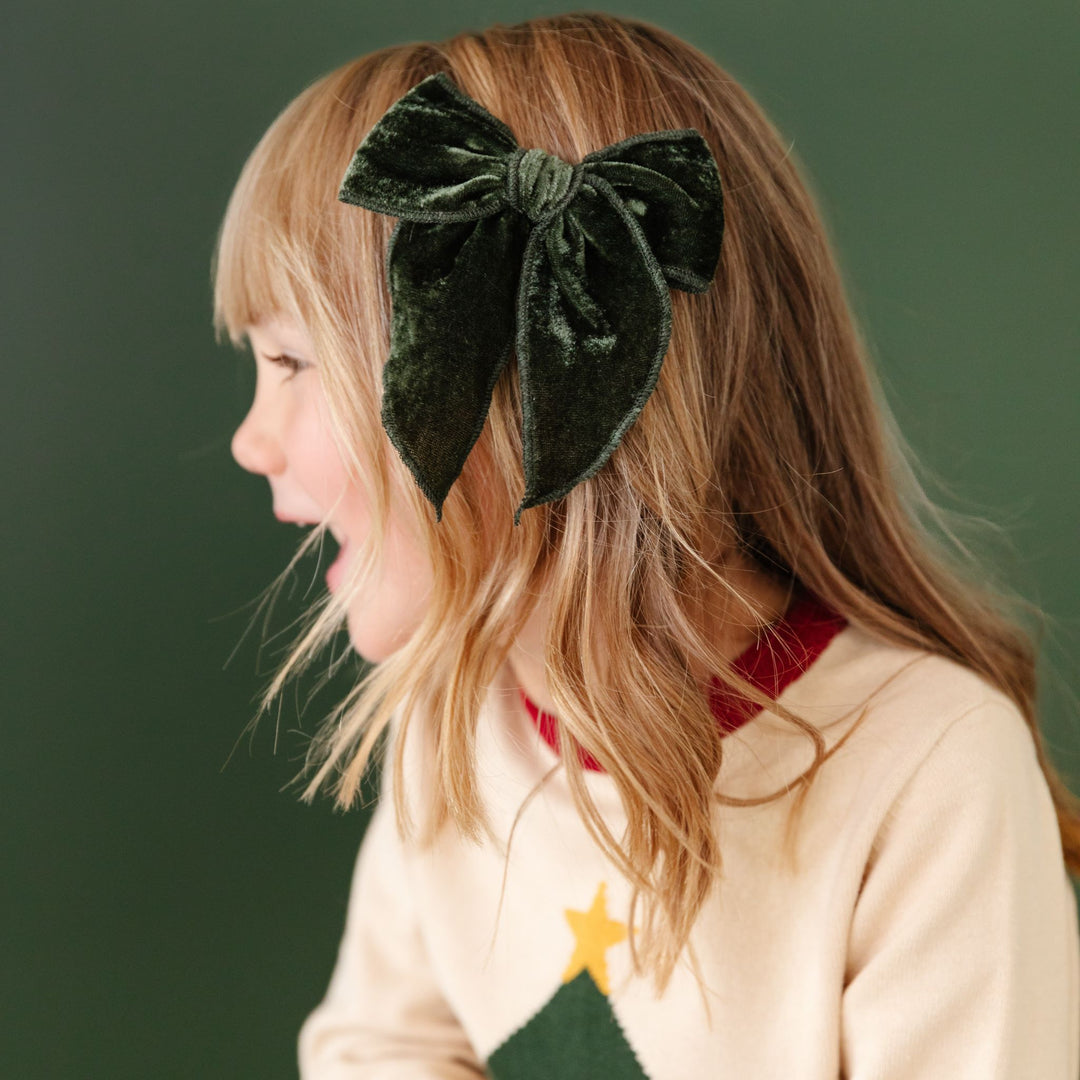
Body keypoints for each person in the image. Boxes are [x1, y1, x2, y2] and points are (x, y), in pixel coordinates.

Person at [214, 12, 1080, 1078]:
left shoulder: (930, 775)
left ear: (545, 382)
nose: (251, 439)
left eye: (294, 363)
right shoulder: (451, 730)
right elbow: (378, 1048)